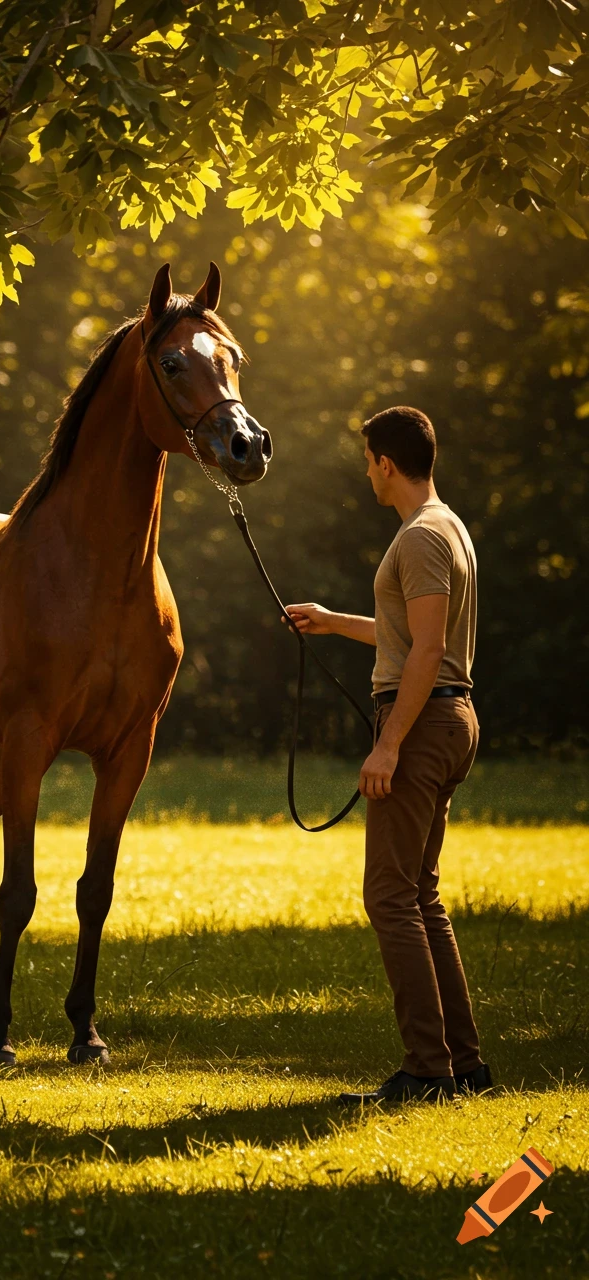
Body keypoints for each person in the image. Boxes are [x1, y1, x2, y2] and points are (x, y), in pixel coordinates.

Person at [284, 406, 492, 1103]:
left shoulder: (421, 537)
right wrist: (332, 622)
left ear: (386, 463)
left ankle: (428, 1073)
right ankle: (463, 1066)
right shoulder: (446, 526)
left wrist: (389, 745)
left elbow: (428, 652)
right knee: (420, 896)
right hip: (445, 719)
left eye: (367, 460)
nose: (365, 471)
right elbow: (409, 633)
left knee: (390, 898)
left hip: (425, 724)